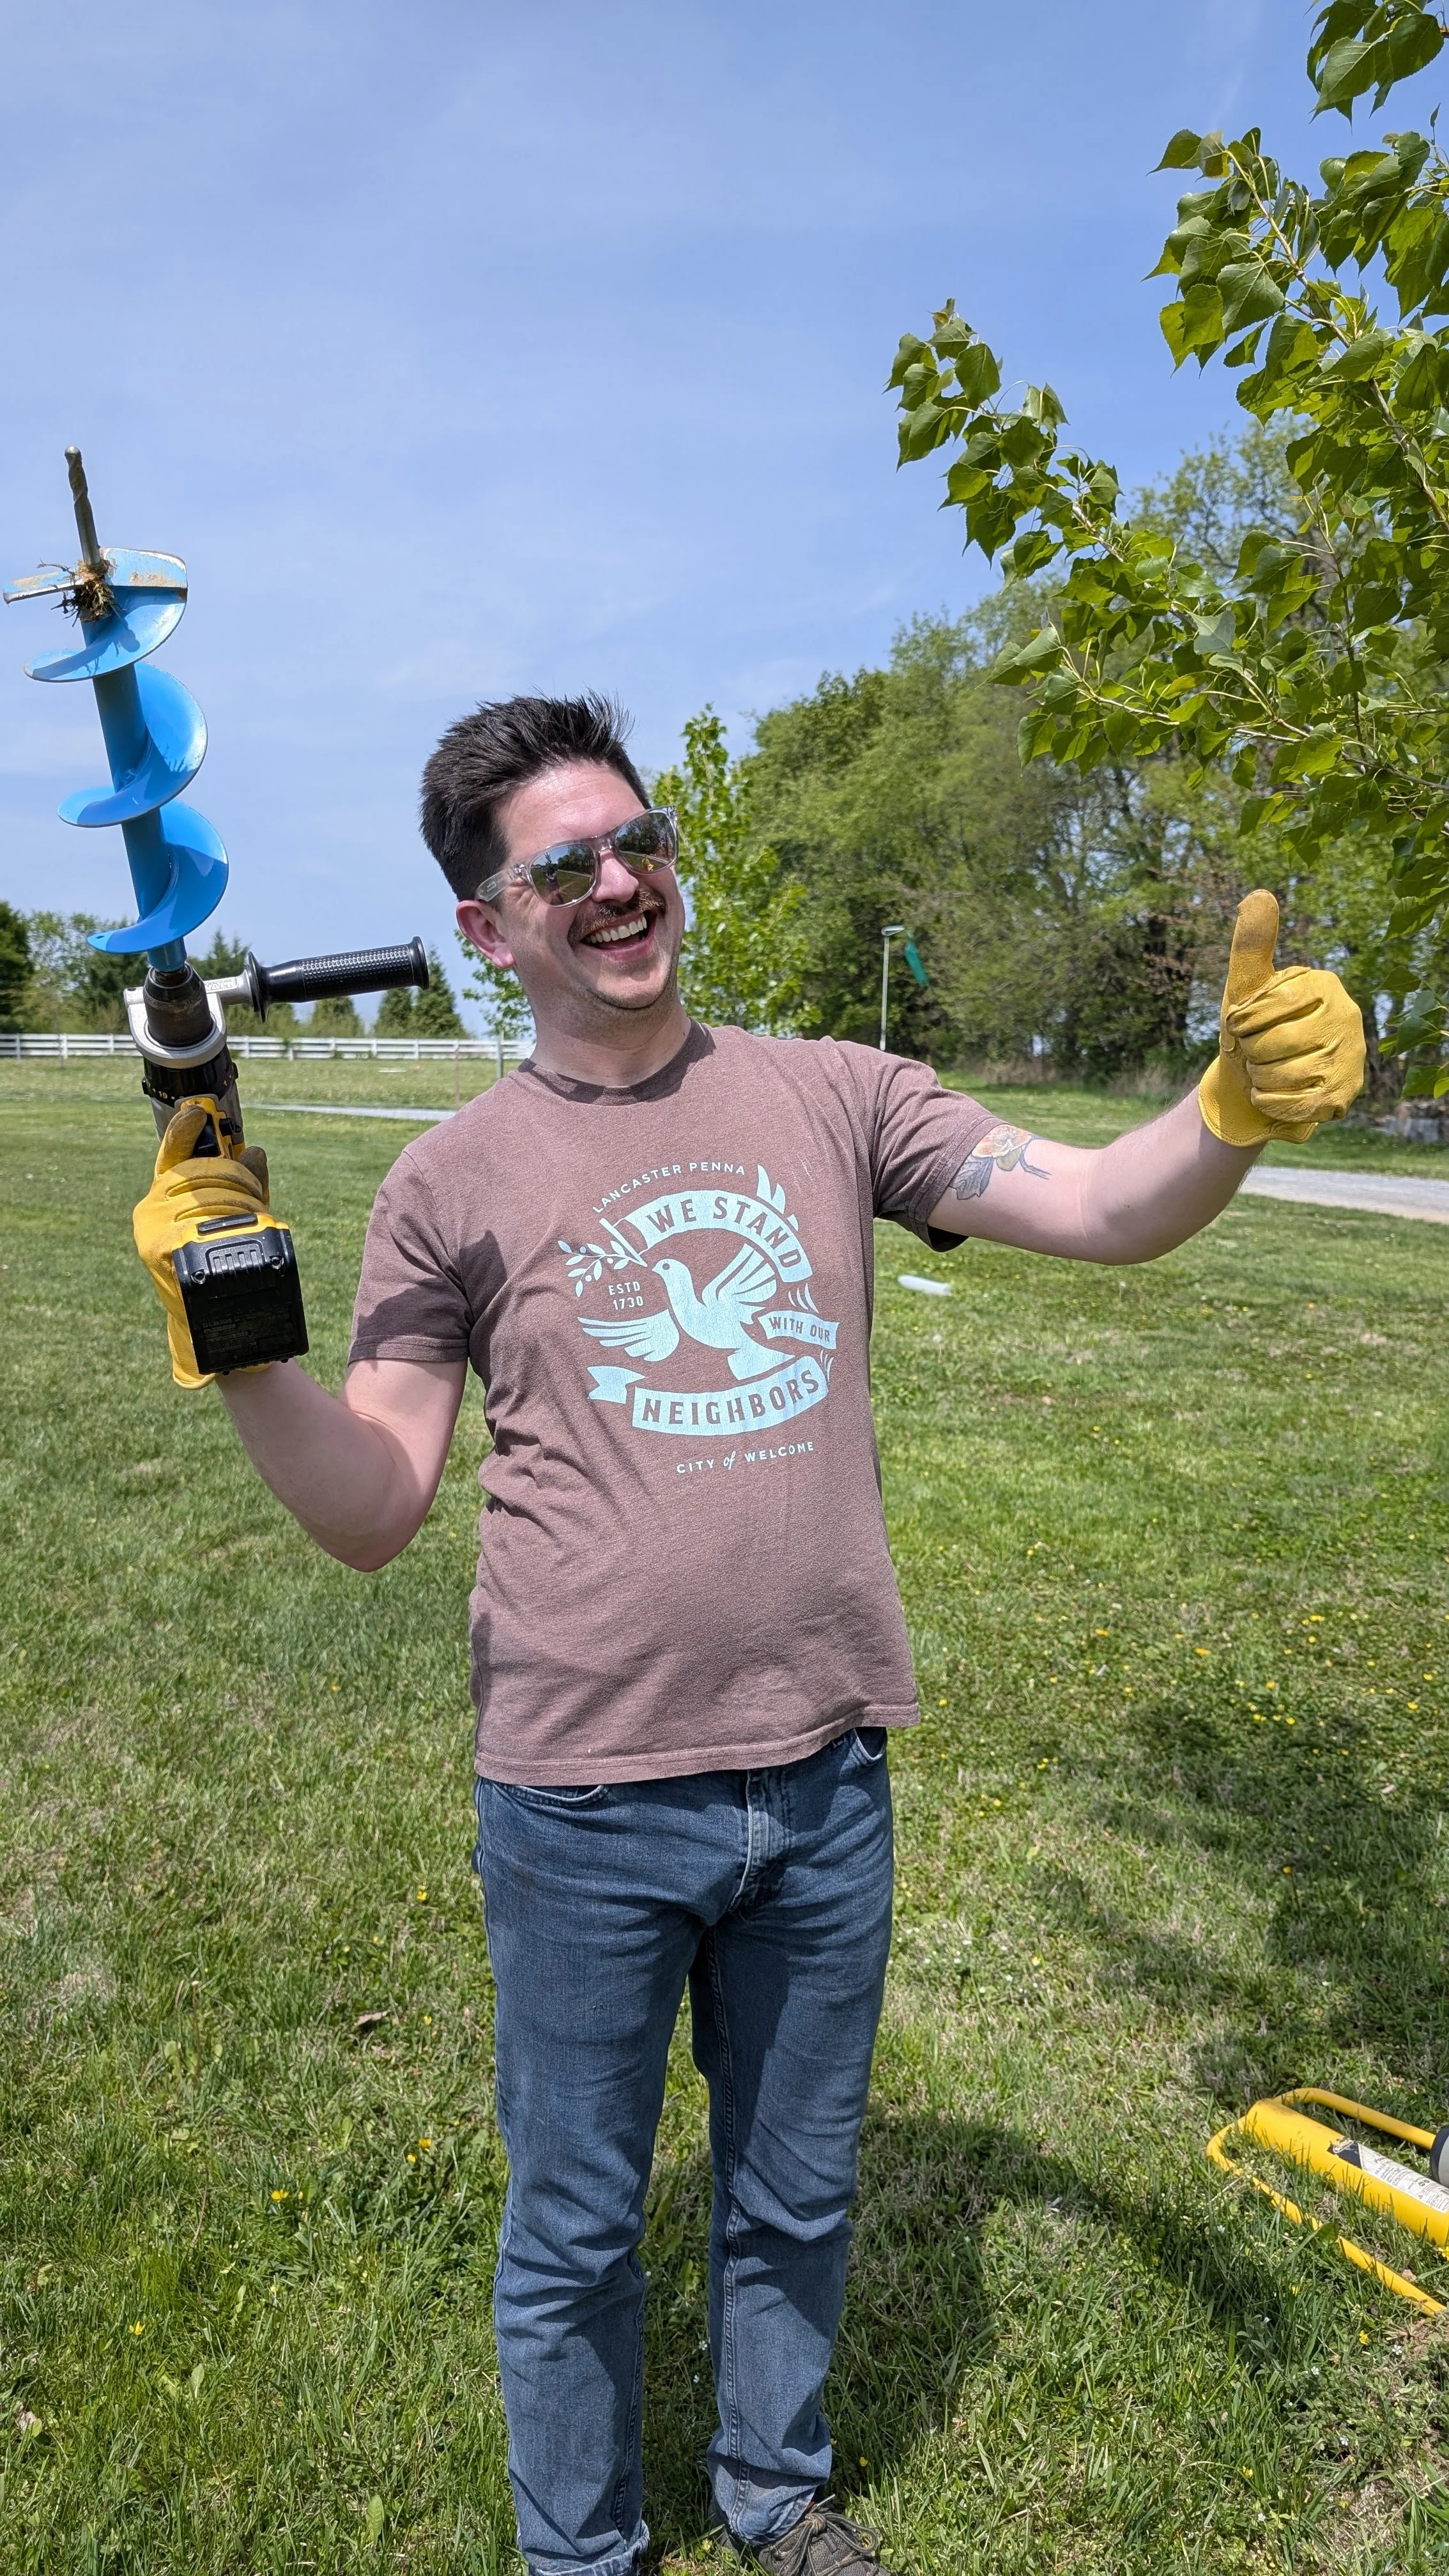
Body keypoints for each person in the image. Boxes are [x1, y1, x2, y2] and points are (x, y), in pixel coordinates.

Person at [132, 693, 1365, 2576]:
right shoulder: (446, 1184)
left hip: (821, 1772)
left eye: (641, 843)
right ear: (486, 925)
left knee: (793, 2199)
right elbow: (372, 1509)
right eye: (564, 867)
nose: (621, 883)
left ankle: (776, 2503)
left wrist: (1222, 1113)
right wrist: (239, 1337)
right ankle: (583, 2553)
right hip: (583, 1796)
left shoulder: (832, 1094)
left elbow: (1105, 1208)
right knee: (575, 2228)